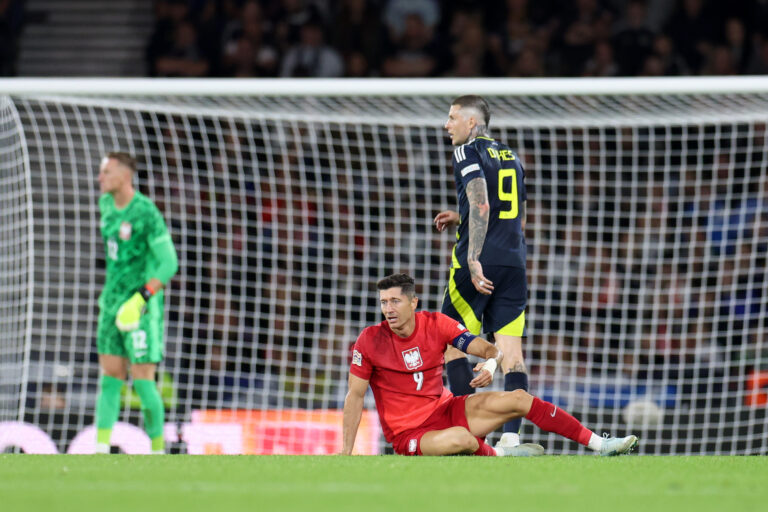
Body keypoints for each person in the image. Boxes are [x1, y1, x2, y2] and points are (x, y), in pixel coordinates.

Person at [341, 274, 638, 456]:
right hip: (409, 434)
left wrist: (491, 363)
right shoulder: (369, 340)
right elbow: (355, 396)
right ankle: (502, 454)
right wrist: (347, 450)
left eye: (395, 301)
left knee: (520, 399)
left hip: (444, 411)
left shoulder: (436, 324)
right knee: (461, 439)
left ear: (413, 303)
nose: (388, 309)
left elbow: (486, 347)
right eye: (384, 302)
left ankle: (601, 445)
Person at [434, 94, 536, 455]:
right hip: (514, 259)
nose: (447, 126)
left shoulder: (466, 151)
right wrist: (460, 216)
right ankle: (511, 438)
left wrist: (475, 257)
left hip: (475, 261)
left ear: (471, 123)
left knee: (451, 343)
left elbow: (481, 200)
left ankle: (473, 437)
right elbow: (515, 215)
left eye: (452, 118)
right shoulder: (512, 156)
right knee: (512, 354)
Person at [94, 152, 179, 454]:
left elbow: (169, 263)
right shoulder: (105, 205)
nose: (100, 178)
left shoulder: (146, 212)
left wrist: (141, 298)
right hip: (111, 303)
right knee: (110, 376)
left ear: (125, 175)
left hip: (140, 305)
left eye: (106, 172)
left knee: (143, 379)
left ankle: (158, 450)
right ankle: (100, 450)